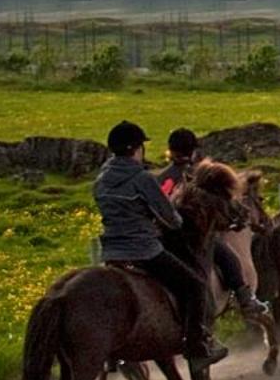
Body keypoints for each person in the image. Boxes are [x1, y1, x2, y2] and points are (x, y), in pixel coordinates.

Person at [94, 121, 227, 364]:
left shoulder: (101, 180)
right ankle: (196, 344)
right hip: (144, 251)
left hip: (111, 253)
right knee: (195, 285)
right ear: (135, 149)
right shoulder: (142, 178)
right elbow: (171, 219)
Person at [157, 128, 271, 321]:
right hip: (193, 236)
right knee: (229, 259)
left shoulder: (159, 178)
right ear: (193, 151)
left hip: (161, 238)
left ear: (170, 151)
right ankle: (245, 299)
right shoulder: (197, 175)